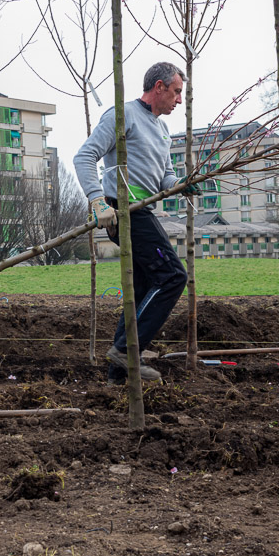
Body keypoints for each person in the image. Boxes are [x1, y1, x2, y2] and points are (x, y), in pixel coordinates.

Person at [73, 62, 202, 383]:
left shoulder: (161, 129)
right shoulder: (123, 114)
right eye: (175, 92)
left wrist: (181, 183)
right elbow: (84, 156)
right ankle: (128, 352)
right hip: (122, 209)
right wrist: (97, 201)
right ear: (158, 87)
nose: (178, 100)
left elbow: (164, 177)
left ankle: (117, 377)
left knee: (146, 286)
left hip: (142, 209)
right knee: (173, 276)